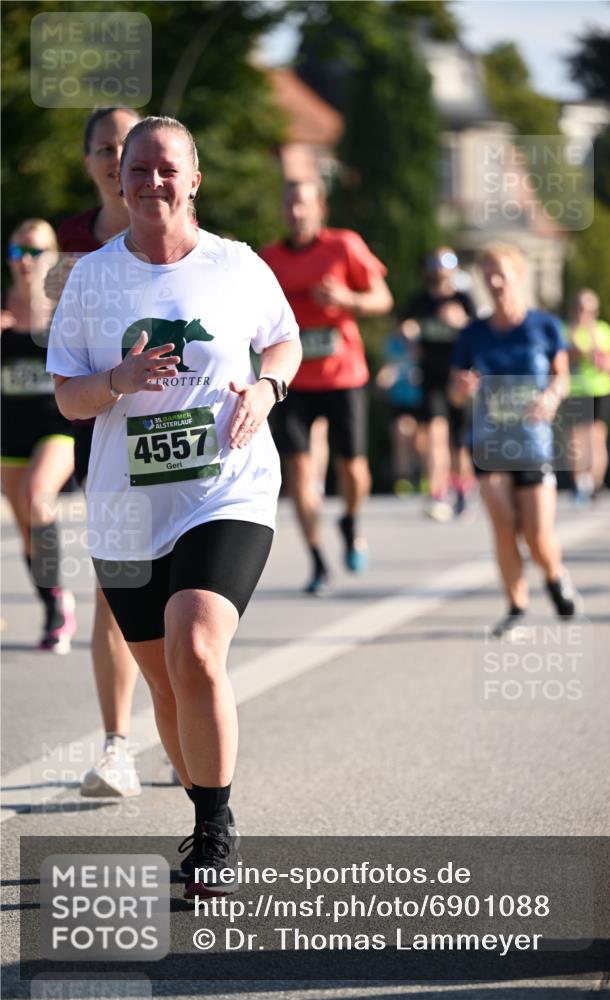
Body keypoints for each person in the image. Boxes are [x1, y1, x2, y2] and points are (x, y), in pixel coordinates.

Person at [47, 115, 302, 898]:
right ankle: (204, 803)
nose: (152, 182)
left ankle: (213, 831)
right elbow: (67, 396)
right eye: (138, 169)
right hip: (127, 507)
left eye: (168, 169)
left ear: (194, 180)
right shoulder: (92, 279)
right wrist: (118, 381)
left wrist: (264, 387)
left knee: (196, 648)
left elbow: (284, 340)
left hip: (226, 486)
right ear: (117, 181)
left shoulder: (236, 265)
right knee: (164, 683)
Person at [51, 107, 144, 797]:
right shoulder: (70, 246)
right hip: (103, 438)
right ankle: (118, 747)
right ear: (89, 162)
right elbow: (50, 348)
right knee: (118, 592)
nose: (117, 158)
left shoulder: (185, 236)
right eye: (105, 148)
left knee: (184, 600)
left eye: (128, 144)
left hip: (185, 441)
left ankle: (183, 714)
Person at [261, 178, 393, 594]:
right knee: (299, 472)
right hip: (292, 379)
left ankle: (350, 520)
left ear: (321, 209)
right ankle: (317, 558)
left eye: (303, 205)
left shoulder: (344, 246)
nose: (296, 213)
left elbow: (382, 298)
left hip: (343, 375)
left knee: (353, 468)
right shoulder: (268, 259)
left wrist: (347, 300)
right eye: (289, 205)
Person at [449, 243, 580, 637]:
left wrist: (551, 397)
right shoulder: (473, 333)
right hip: (490, 442)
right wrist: (462, 386)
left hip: (534, 443)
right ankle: (516, 606)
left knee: (538, 537)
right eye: (487, 274)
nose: (494, 281)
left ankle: (555, 578)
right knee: (504, 529)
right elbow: (454, 392)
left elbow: (563, 377)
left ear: (518, 277)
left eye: (501, 273)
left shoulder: (544, 326)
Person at [1, 219, 76, 652]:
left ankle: (56, 611)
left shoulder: (66, 308)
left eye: (36, 252)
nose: (26, 262)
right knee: (27, 527)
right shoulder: (2, 308)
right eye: (18, 253)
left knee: (37, 496)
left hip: (57, 426)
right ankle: (53, 604)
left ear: (53, 258)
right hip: (11, 431)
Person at [401, 248, 476, 520]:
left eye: (445, 269)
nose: (440, 275)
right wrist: (410, 335)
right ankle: (437, 493)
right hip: (430, 376)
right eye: (436, 269)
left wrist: (461, 321)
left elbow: (478, 330)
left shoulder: (463, 299)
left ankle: (463, 490)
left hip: (458, 377)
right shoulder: (420, 302)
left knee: (459, 442)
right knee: (434, 433)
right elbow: (404, 324)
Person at [565, 289, 610, 503]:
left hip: (599, 389)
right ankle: (579, 482)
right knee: (574, 440)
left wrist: (594, 352)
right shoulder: (565, 330)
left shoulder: (602, 330)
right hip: (574, 389)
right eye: (579, 308)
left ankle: (595, 482)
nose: (583, 313)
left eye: (588, 309)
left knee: (596, 437)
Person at [375, 323, 426, 496]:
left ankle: (425, 476)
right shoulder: (393, 346)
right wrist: (384, 379)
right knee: (401, 434)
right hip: (400, 400)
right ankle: (403, 479)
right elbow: (383, 374)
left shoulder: (424, 346)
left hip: (422, 401)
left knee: (422, 439)